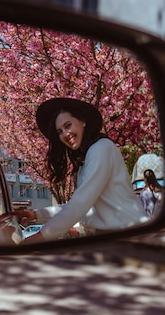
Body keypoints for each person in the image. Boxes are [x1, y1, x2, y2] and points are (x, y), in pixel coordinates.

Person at [14, 97, 148, 243]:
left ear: (83, 122)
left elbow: (81, 202)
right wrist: (36, 215)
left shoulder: (101, 148)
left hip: (129, 234)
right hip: (110, 237)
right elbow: (82, 205)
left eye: (68, 125)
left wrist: (40, 237)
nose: (65, 134)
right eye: (60, 131)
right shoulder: (85, 161)